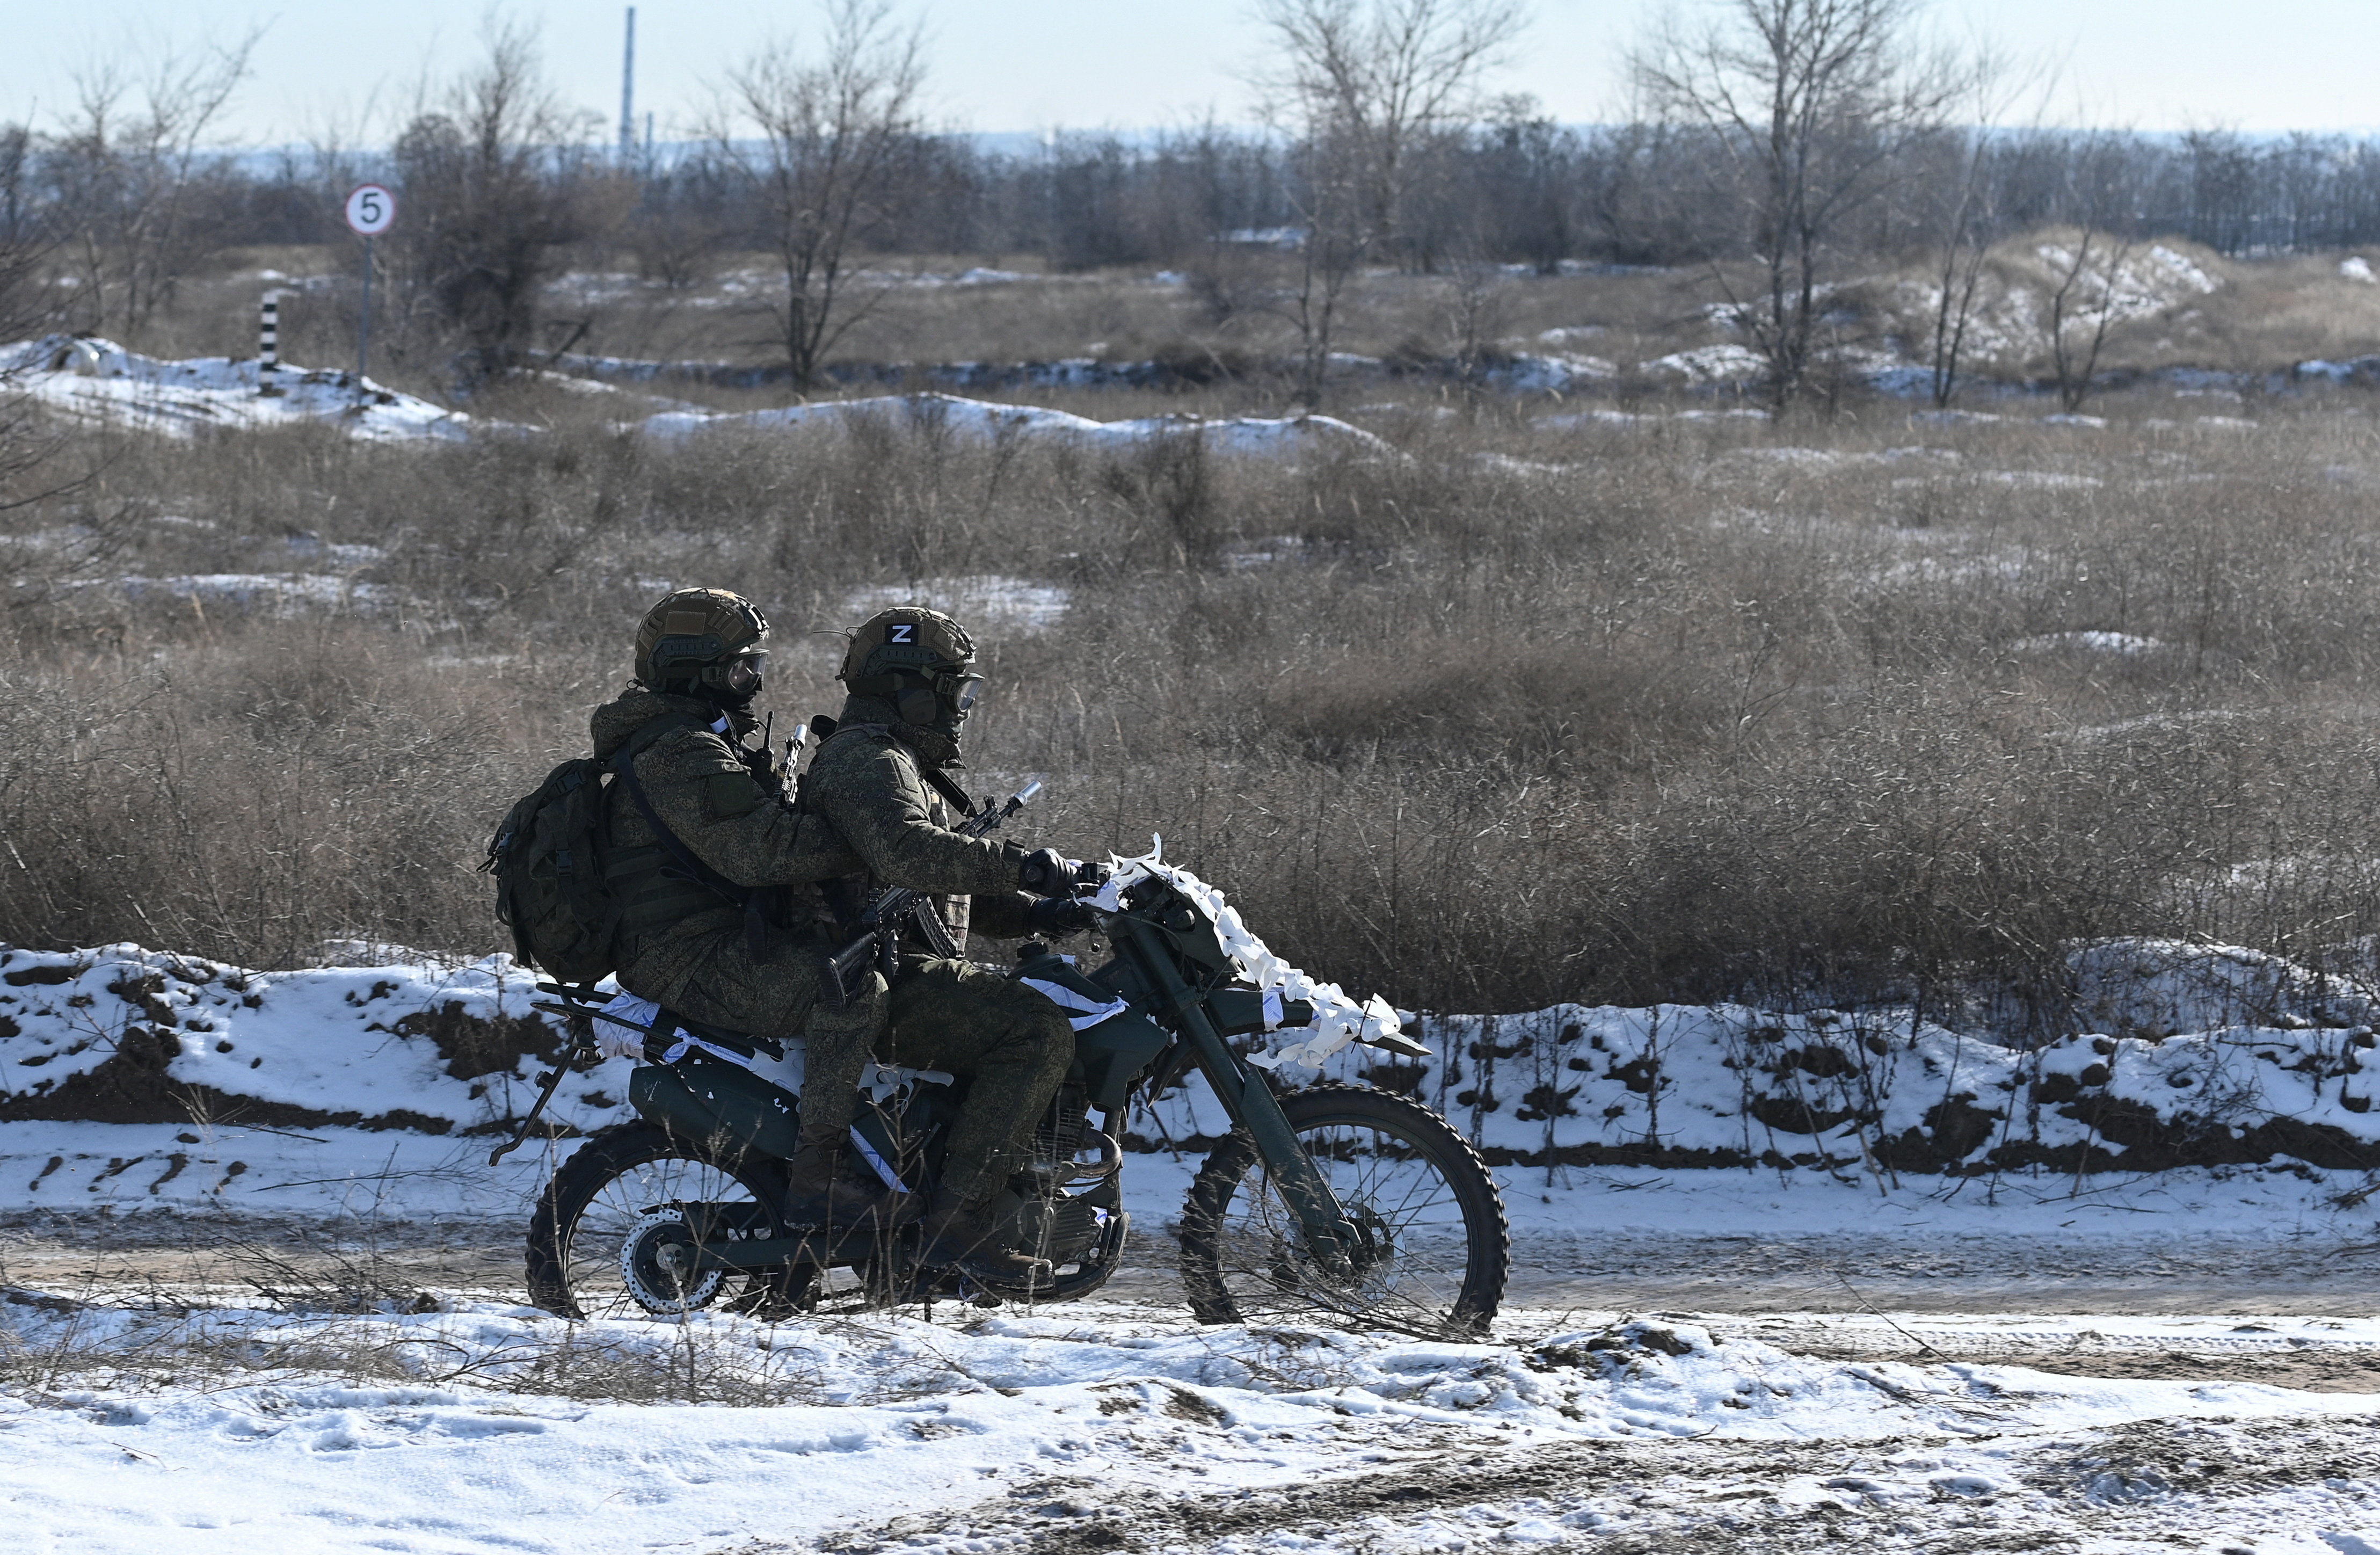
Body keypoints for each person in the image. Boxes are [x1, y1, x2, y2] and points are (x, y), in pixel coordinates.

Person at [802, 605, 1099, 1283]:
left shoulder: (898, 761)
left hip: (903, 962)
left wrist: (1044, 911)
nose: (962, 709)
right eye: (954, 692)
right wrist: (1021, 862)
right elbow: (911, 855)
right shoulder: (864, 760)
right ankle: (959, 1225)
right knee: (1036, 1033)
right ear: (908, 690)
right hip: (879, 975)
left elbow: (944, 885)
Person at [593, 587, 893, 1231]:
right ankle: (822, 1175)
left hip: (707, 941)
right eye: (740, 667)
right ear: (693, 669)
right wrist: (871, 836)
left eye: (755, 665)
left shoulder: (697, 739)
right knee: (849, 990)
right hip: (686, 957)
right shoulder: (680, 752)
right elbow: (765, 853)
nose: (753, 682)